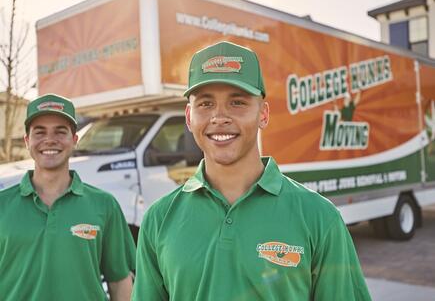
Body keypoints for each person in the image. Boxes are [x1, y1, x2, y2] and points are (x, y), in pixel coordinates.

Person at [133, 41, 371, 300]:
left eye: (237, 102)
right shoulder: (158, 220)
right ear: (189, 117)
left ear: (263, 114)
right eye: (205, 104)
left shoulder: (319, 218)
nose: (220, 116)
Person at [0, 94, 136, 301]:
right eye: (40, 132)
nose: (50, 139)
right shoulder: (3, 205)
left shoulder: (104, 205)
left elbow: (119, 280)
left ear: (74, 140)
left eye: (60, 131)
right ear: (27, 141)